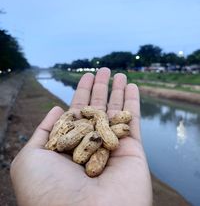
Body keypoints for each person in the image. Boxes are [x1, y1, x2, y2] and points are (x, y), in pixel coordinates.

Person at [10, 67, 152, 206]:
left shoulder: (98, 127)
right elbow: (69, 142)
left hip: (95, 135)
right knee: (86, 140)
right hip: (87, 137)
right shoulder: (87, 126)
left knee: (102, 138)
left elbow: (106, 138)